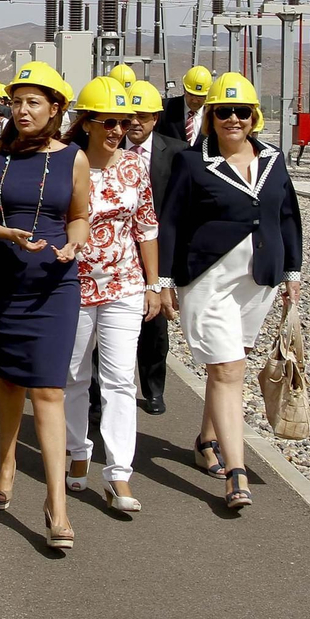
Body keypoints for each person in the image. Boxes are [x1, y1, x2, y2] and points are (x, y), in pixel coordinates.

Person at [157, 72, 304, 512]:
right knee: (228, 370)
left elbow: (288, 215)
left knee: (230, 366)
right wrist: (163, 281)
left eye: (241, 112)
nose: (233, 119)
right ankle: (237, 471)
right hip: (208, 282)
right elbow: (171, 222)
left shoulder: (273, 159)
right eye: (224, 112)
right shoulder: (192, 161)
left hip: (257, 282)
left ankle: (206, 439)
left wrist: (292, 271)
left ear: (254, 116)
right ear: (211, 117)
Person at [0, 62, 90, 551]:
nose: (22, 110)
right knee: (11, 380)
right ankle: (7, 462)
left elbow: (79, 215)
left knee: (50, 389)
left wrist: (75, 242)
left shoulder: (74, 158)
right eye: (17, 102)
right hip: (0, 280)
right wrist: (6, 232)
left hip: (55, 284)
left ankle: (57, 504)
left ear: (56, 109)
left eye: (34, 102)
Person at [61, 77, 159, 516]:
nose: (118, 130)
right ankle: (77, 450)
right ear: (86, 123)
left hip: (125, 284)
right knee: (74, 375)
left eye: (124, 122)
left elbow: (146, 226)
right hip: (74, 285)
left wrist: (154, 284)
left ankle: (118, 471)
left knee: (120, 379)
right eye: (109, 122)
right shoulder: (66, 162)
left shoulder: (135, 166)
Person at [125, 79, 185, 415]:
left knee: (154, 327)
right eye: (130, 116)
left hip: (157, 252)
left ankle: (153, 390)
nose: (135, 122)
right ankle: (97, 397)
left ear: (155, 119)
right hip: (116, 252)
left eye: (143, 116)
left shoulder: (176, 153)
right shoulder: (106, 148)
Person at [158, 65, 212, 147]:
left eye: (200, 96)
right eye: (191, 95)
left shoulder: (214, 115)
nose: (194, 100)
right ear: (184, 89)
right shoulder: (165, 108)